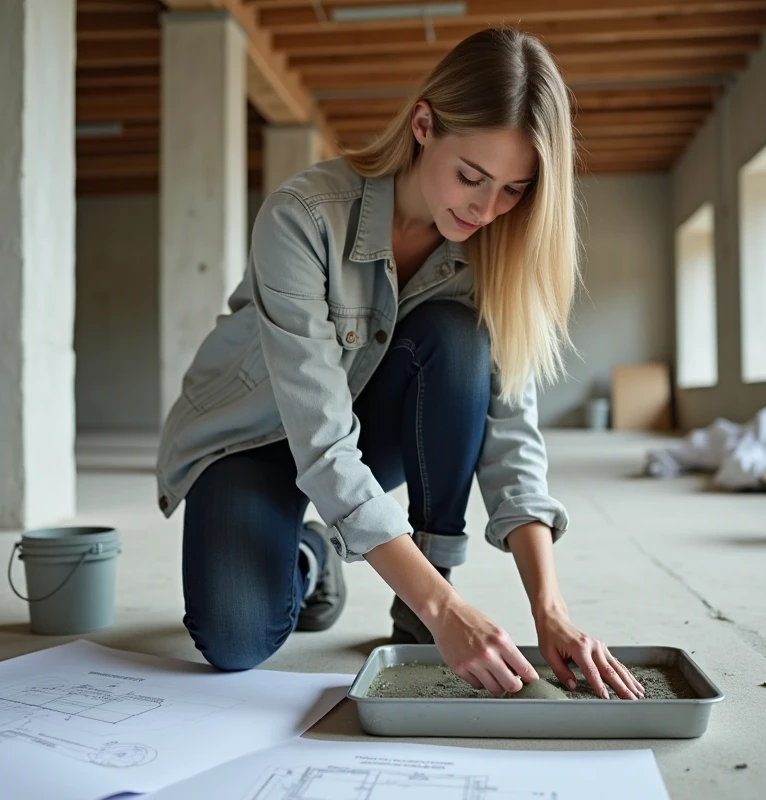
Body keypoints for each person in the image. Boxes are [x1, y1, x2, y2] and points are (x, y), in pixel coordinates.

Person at [156, 27, 644, 700]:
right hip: (252, 441)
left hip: (369, 431)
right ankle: (313, 553)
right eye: (471, 176)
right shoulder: (302, 217)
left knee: (458, 338)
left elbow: (510, 436)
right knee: (235, 641)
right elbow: (320, 441)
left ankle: (416, 597)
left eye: (513, 189)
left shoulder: (493, 252)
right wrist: (451, 611)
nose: (484, 207)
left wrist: (549, 610)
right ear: (423, 125)